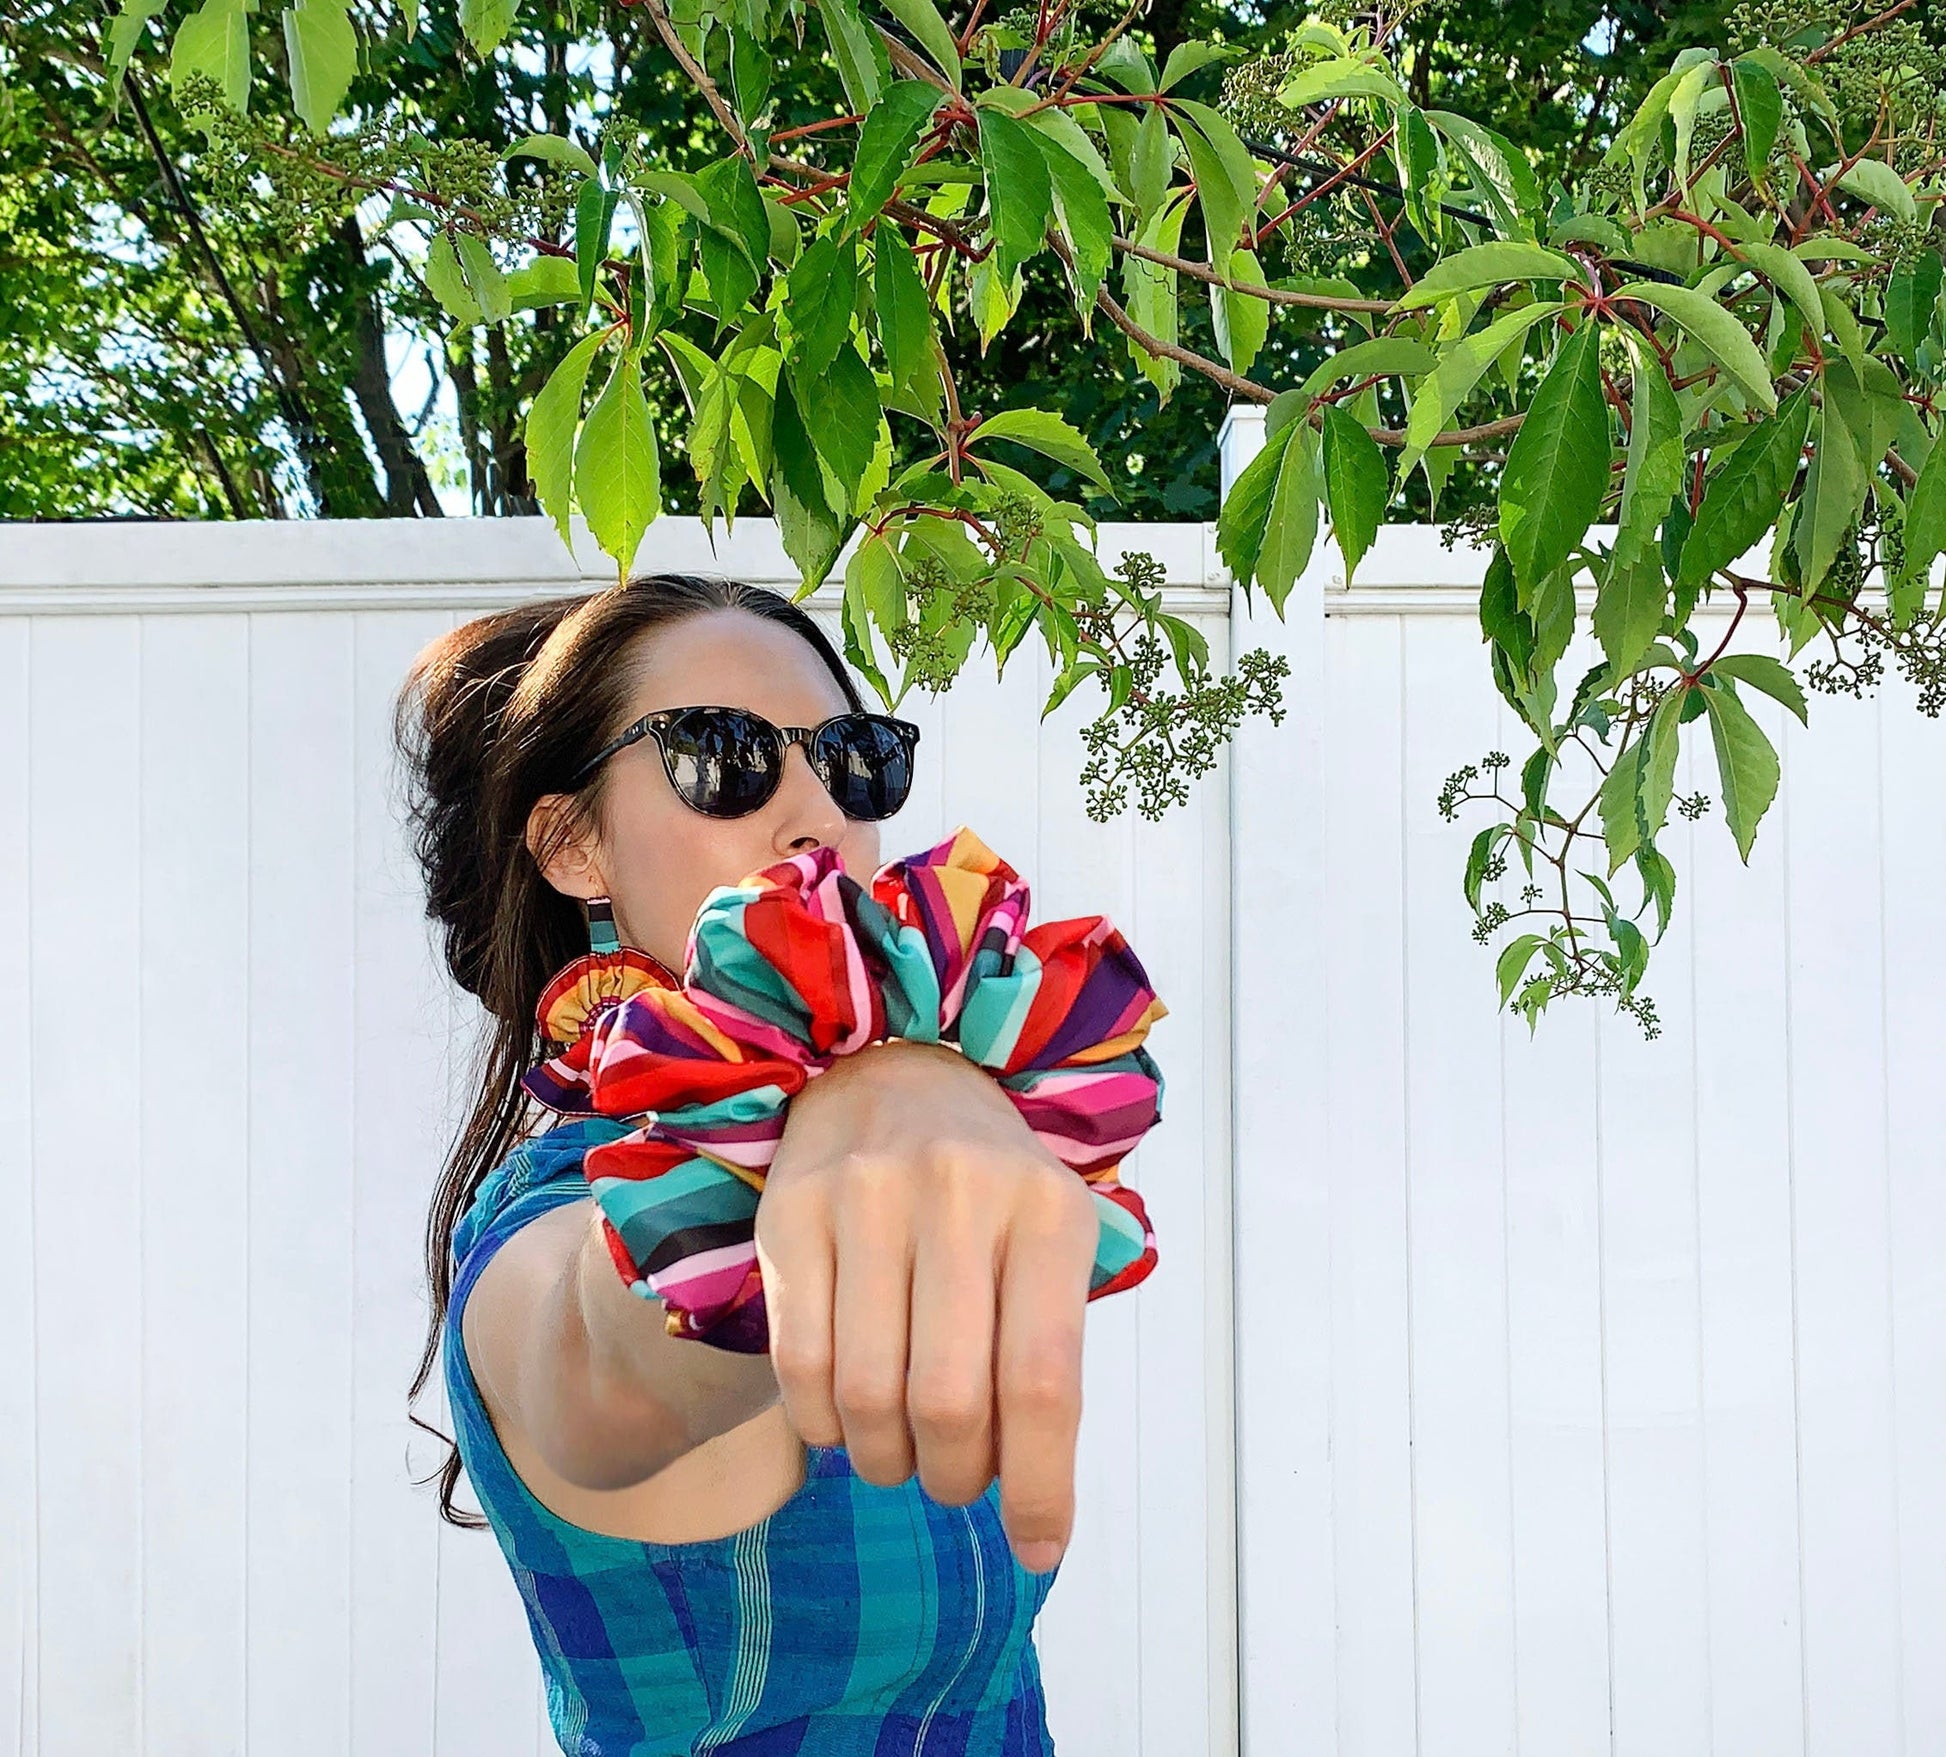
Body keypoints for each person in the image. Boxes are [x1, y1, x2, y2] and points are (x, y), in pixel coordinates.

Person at [392, 572, 1112, 1755]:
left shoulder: (892, 1148)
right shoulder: (547, 1216)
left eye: (850, 756)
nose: (815, 812)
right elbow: (615, 1369)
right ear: (573, 844)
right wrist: (880, 1090)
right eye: (721, 754)